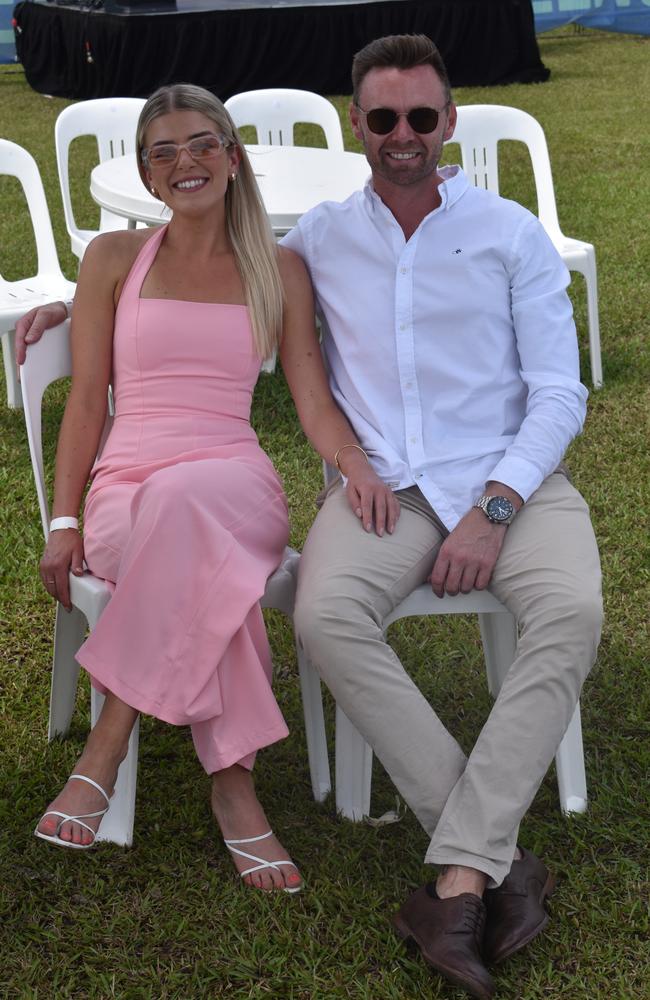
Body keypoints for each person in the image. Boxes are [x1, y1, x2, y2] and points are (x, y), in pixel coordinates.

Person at [17, 34, 602, 995]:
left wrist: (435, 486)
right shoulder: (249, 246)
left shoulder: (430, 244)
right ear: (359, 129)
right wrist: (56, 330)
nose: (403, 134)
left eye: (421, 117)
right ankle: (240, 782)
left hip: (409, 479)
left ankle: (455, 862)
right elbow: (115, 357)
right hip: (244, 489)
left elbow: (527, 392)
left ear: (448, 122)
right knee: (247, 562)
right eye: (383, 119)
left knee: (569, 613)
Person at [21, 83, 397, 894]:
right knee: (187, 533)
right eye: (165, 152)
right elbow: (87, 401)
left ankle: (107, 743)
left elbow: (313, 400)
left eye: (201, 144)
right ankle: (233, 787)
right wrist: (63, 520)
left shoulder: (280, 269)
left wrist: (355, 463)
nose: (185, 161)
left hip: (235, 478)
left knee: (195, 510)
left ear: (233, 157)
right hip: (130, 489)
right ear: (149, 177)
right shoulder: (112, 260)